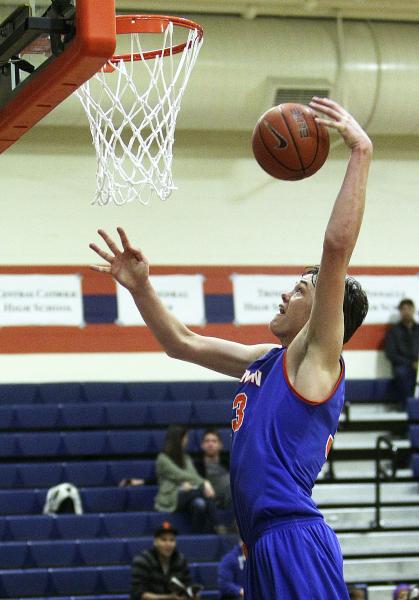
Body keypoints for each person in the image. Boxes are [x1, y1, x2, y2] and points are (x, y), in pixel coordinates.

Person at [90, 97, 372, 599]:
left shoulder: (318, 363)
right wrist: (139, 287)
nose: (287, 293)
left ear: (325, 315)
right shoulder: (265, 362)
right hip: (262, 544)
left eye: (302, 290)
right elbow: (182, 343)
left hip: (292, 539)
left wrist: (360, 152)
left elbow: (335, 251)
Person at [153, 425, 218, 534]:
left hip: (189, 494)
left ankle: (198, 535)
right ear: (179, 439)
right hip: (171, 496)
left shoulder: (186, 458)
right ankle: (217, 525)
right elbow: (180, 475)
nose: (187, 441)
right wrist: (204, 482)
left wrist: (193, 485)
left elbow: (193, 476)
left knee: (199, 503)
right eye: (185, 438)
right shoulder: (162, 459)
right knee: (202, 492)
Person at [130, 521, 201, 600]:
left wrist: (192, 596)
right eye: (164, 540)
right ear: (155, 542)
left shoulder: (181, 560)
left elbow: (187, 585)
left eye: (172, 540)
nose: (168, 544)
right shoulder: (143, 561)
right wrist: (168, 598)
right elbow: (138, 594)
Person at [385, 298, 419, 409]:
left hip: (418, 364)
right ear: (400, 312)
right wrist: (410, 363)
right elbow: (391, 354)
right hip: (403, 366)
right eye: (404, 309)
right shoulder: (394, 331)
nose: (407, 311)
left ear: (414, 310)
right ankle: (407, 408)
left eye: (409, 308)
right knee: (402, 373)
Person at [194, 429, 232, 509]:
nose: (210, 444)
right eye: (207, 441)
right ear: (202, 445)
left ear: (220, 445)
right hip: (206, 501)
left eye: (214, 441)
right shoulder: (196, 466)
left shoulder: (229, 464)